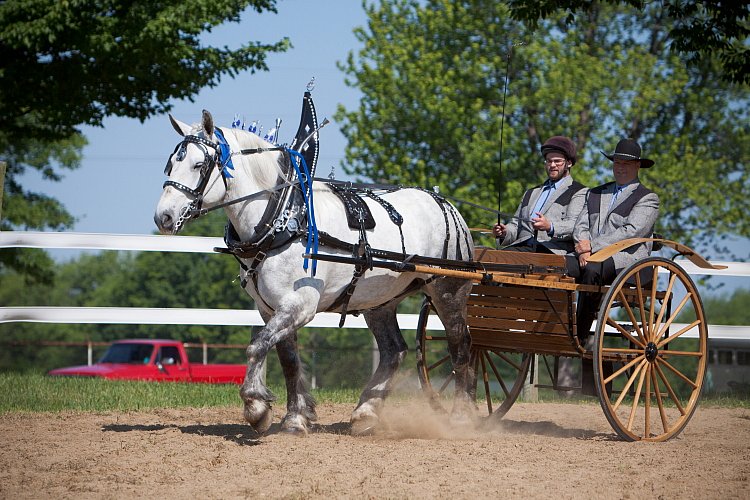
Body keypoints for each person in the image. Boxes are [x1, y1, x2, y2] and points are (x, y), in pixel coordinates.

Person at [572, 138, 660, 340]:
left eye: (626, 164)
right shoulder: (595, 193)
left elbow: (631, 231)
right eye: (617, 163)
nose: (620, 168)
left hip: (626, 258)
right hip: (587, 254)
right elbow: (581, 224)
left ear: (637, 166)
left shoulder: (647, 198)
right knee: (556, 266)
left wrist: (592, 246)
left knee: (593, 269)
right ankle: (553, 326)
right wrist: (583, 248)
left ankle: (579, 334)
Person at [492, 136, 587, 255]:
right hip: (521, 248)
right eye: (548, 161)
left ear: (569, 163)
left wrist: (549, 226)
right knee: (487, 256)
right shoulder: (531, 193)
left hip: (550, 251)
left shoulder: (579, 191)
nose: (552, 165)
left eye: (557, 161)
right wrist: (505, 232)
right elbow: (515, 225)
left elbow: (574, 225)